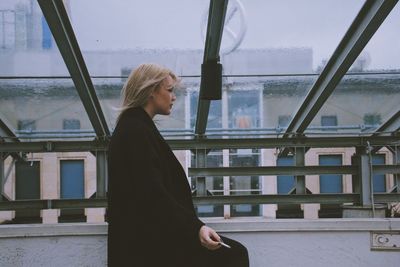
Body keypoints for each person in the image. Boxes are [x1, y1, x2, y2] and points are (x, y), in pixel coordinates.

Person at [107, 63, 249, 267]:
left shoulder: (135, 128)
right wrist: (196, 229)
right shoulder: (136, 131)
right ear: (151, 92)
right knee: (234, 255)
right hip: (151, 246)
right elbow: (153, 194)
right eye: (170, 90)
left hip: (148, 242)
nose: (174, 97)